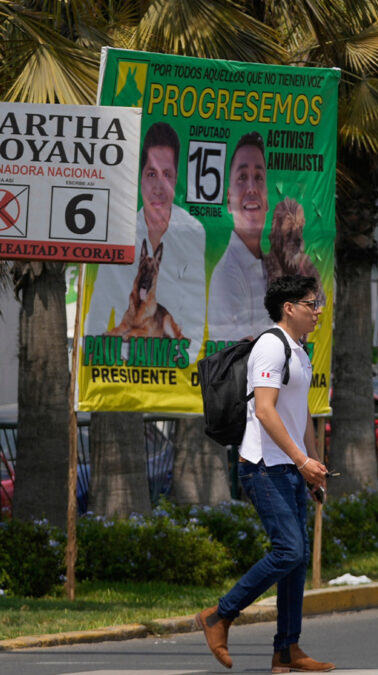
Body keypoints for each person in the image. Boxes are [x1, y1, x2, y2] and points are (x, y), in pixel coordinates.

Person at [195, 274, 334, 673]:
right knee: (288, 550)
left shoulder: (299, 350)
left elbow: (300, 414)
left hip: (288, 467)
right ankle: (219, 615)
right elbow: (266, 411)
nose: (317, 311)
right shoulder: (272, 346)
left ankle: (287, 649)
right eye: (311, 304)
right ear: (289, 308)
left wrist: (312, 465)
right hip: (262, 467)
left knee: (296, 560)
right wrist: (301, 460)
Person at [84, 121, 205, 360]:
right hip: (122, 366)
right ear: (139, 178)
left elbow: (196, 320)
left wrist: (179, 361)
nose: (159, 187)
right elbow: (97, 315)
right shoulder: (118, 231)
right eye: (151, 174)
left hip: (174, 364)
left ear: (176, 180)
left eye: (167, 175)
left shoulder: (193, 232)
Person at [208, 131, 272, 342]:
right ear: (229, 200)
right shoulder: (226, 274)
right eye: (242, 177)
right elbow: (241, 351)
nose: (252, 188)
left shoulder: (271, 268)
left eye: (259, 178)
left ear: (267, 200)